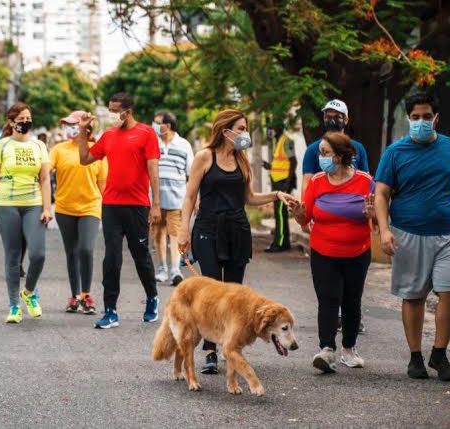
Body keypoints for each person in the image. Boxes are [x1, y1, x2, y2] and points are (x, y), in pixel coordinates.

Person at [177, 109, 295, 374]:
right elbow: (189, 197)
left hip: (237, 230)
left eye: (245, 129)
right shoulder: (204, 157)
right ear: (225, 129)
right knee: (211, 292)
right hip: (208, 229)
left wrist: (277, 194)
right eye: (240, 129)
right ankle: (209, 350)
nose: (245, 134)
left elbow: (250, 198)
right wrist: (184, 230)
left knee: (233, 295)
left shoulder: (242, 161)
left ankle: (230, 347)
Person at [375, 92, 450, 382]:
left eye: (426, 116)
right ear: (409, 119)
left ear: (436, 118)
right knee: (414, 296)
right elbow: (381, 194)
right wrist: (385, 230)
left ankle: (440, 353)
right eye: (415, 117)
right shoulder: (395, 153)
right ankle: (415, 357)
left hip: (448, 234)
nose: (420, 122)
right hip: (408, 234)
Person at [292, 132, 375, 373]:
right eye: (320, 153)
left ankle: (349, 349)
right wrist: (297, 212)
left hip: (357, 252)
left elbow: (378, 219)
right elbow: (304, 218)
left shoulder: (364, 181)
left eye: (325, 153)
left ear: (339, 156)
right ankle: (327, 350)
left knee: (352, 299)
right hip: (323, 251)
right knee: (328, 298)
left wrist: (373, 215)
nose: (321, 158)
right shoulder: (317, 181)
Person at [77, 93, 161, 329]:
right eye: (111, 110)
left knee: (140, 255)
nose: (113, 115)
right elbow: (84, 159)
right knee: (111, 258)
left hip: (137, 205)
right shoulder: (109, 135)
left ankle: (152, 298)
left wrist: (156, 205)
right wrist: (83, 131)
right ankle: (110, 310)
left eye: (116, 111)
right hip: (112, 204)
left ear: (128, 110)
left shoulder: (146, 133)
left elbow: (153, 170)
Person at [0, 102, 52, 324]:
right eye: (21, 120)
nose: (26, 122)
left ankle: (28, 293)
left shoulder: (39, 146)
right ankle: (14, 306)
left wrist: (47, 208)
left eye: (28, 118)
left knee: (38, 254)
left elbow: (45, 178)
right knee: (13, 255)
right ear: (11, 122)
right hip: (5, 205)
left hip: (33, 204)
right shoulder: (1, 146)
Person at [301, 99, 370, 334]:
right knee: (329, 290)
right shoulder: (313, 150)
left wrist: (373, 216)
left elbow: (368, 186)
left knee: (352, 291)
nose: (332, 118)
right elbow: (307, 182)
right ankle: (330, 336)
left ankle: (349, 322)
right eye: (328, 114)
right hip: (324, 219)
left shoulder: (358, 149)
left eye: (337, 114)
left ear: (346, 119)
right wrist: (304, 214)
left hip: (355, 229)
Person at [51, 111, 107, 314]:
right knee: (71, 252)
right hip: (65, 208)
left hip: (90, 207)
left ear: (86, 126)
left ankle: (86, 295)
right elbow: (44, 173)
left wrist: (108, 209)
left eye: (73, 123)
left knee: (86, 249)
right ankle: (74, 296)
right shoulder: (58, 150)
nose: (69, 127)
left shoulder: (96, 151)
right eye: (67, 124)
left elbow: (103, 185)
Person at [151, 111, 194, 286]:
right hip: (156, 199)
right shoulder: (152, 144)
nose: (153, 126)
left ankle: (175, 270)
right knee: (158, 234)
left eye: (157, 123)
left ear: (167, 126)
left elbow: (191, 173)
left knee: (174, 234)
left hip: (177, 199)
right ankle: (162, 269)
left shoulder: (184, 145)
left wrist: (194, 198)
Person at [263, 126, 297, 252]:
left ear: (279, 128)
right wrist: (270, 166)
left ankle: (280, 243)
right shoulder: (278, 142)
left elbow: (293, 162)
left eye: (272, 128)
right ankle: (283, 241)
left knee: (280, 213)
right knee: (279, 213)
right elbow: (282, 164)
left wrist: (287, 184)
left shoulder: (286, 141)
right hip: (278, 182)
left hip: (283, 184)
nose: (270, 131)